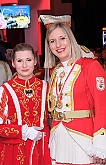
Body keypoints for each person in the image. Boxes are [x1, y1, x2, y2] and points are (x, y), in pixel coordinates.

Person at [39, 14, 106, 164]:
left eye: (62, 38)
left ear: (71, 39)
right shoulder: (54, 71)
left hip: (84, 139)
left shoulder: (90, 66)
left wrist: (100, 145)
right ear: (48, 46)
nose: (58, 45)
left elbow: (103, 107)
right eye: (52, 41)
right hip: (58, 137)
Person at [0, 43, 51, 165]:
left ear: (35, 61)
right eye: (20, 61)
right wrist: (22, 131)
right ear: (13, 63)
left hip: (42, 150)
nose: (25, 65)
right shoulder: (4, 90)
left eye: (29, 60)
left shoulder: (46, 87)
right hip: (13, 151)